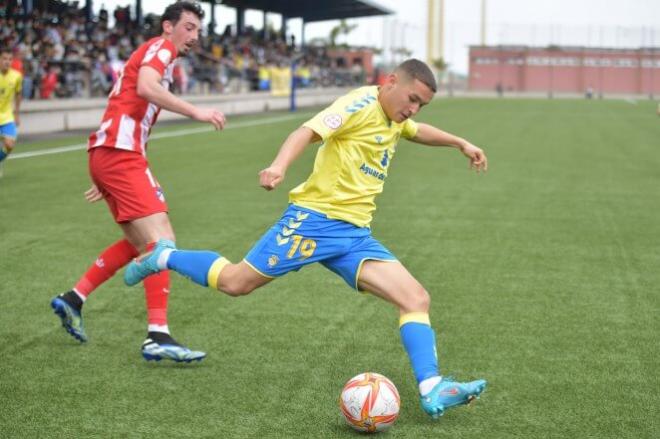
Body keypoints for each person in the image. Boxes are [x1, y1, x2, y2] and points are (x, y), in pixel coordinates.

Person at [125, 59, 488, 416]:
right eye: (411, 99)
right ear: (390, 81)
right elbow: (305, 132)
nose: (413, 110)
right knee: (236, 282)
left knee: (415, 298)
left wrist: (460, 143)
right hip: (313, 222)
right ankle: (162, 256)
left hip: (354, 235)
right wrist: (278, 167)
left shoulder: (396, 118)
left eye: (420, 105)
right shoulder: (358, 104)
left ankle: (432, 387)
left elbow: (416, 131)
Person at [50, 1, 226, 363]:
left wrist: (105, 172)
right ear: (167, 27)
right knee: (162, 243)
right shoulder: (160, 49)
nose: (194, 36)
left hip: (112, 155)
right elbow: (145, 88)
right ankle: (157, 335)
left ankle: (73, 298)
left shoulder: (158, 54)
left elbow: (132, 104)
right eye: (188, 27)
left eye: (198, 30)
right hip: (118, 155)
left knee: (139, 244)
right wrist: (196, 111)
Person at [0, 47, 22, 178]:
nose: (7, 61)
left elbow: (18, 94)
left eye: (9, 59)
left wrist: (17, 113)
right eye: (4, 59)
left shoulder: (16, 76)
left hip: (7, 116)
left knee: (9, 145)